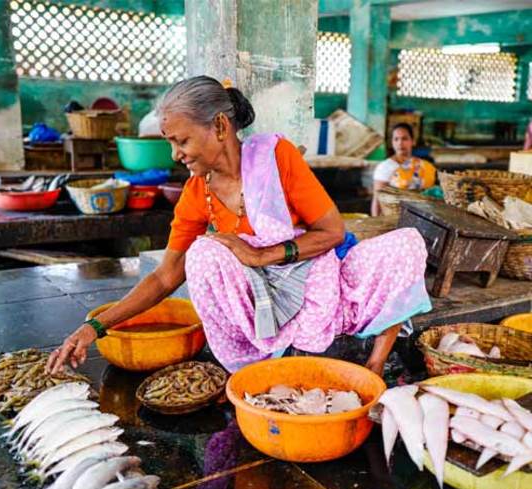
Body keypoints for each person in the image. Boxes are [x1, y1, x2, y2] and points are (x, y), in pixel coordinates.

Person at [46, 76, 432, 377]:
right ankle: (254, 363)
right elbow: (166, 277)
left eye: (180, 140)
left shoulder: (276, 156)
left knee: (407, 245)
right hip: (260, 301)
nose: (175, 154)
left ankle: (374, 365)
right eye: (170, 143)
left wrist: (264, 254)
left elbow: (330, 232)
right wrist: (96, 326)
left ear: (218, 126)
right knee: (204, 254)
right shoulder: (199, 192)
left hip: (317, 283)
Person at [371, 123, 437, 216]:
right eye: (396, 139)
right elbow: (377, 200)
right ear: (392, 142)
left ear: (413, 141)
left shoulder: (425, 166)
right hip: (394, 218)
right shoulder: (385, 167)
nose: (400, 143)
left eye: (404, 138)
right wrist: (376, 222)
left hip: (423, 216)